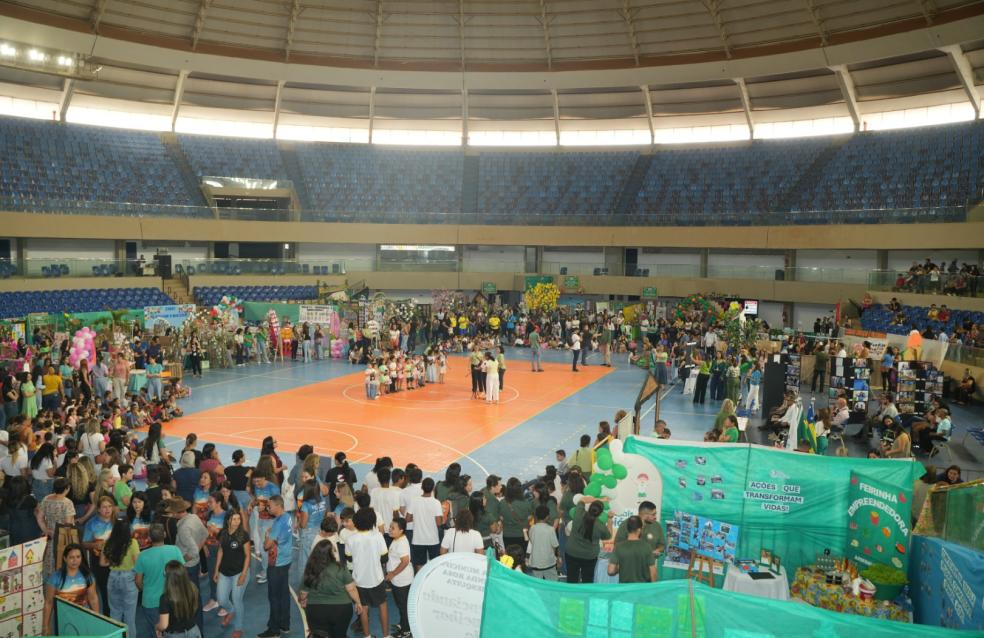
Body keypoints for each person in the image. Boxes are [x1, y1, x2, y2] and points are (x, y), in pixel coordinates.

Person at [299, 539, 362, 638]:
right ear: (331, 554)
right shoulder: (341, 568)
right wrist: (358, 603)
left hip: (316, 609)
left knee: (319, 635)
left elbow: (303, 593)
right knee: (340, 635)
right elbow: (351, 589)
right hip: (341, 609)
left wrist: (302, 601)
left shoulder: (310, 570)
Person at [135, 524, 184, 638]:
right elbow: (182, 573)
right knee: (171, 629)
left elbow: (138, 581)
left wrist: (145, 589)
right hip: (173, 598)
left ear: (149, 538)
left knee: (155, 631)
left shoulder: (142, 555)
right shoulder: (175, 550)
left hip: (150, 601)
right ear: (165, 534)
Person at [346, 508, 389, 638]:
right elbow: (384, 558)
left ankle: (367, 636)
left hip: (359, 580)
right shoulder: (378, 536)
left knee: (363, 608)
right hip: (376, 578)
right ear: (372, 521)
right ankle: (386, 636)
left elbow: (349, 558)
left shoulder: (351, 539)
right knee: (382, 605)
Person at [43, 544, 100, 636]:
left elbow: (93, 599)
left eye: (78, 557)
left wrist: (97, 620)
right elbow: (49, 603)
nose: (75, 560)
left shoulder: (88, 576)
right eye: (71, 557)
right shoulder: (55, 578)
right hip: (62, 620)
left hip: (83, 618)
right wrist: (45, 625)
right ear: (65, 558)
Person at [169, 496, 207, 632]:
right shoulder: (194, 517)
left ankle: (195, 630)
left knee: (189, 600)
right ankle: (199, 630)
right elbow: (205, 534)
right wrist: (197, 552)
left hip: (187, 568)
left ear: (176, 512)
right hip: (194, 565)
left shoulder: (183, 528)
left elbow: (193, 551)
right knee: (196, 596)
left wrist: (180, 561)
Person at [259, 496, 293, 638]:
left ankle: (274, 630)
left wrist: (267, 535)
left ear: (278, 506)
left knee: (274, 596)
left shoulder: (278, 522)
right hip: (286, 559)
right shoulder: (287, 517)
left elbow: (267, 546)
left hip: (276, 563)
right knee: (284, 594)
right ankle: (285, 624)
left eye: (270, 506)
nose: (268, 508)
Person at [213, 508, 250, 638]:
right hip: (224, 572)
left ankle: (238, 628)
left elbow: (247, 556)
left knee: (236, 599)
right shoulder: (222, 534)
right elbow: (220, 551)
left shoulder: (243, 535)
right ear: (228, 520)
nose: (237, 521)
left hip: (239, 572)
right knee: (221, 599)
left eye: (238, 519)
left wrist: (243, 575)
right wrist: (216, 570)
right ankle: (231, 611)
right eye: (234, 519)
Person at [100, 517, 140, 638]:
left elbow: (102, 563)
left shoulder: (107, 542)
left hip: (112, 577)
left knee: (115, 613)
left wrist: (113, 562)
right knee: (129, 617)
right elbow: (137, 564)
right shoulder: (132, 543)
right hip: (129, 579)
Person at [565, 498, 611, 584]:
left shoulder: (579, 514)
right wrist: (609, 519)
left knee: (571, 579)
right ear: (600, 513)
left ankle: (571, 593)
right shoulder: (600, 526)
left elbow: (582, 500)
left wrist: (599, 499)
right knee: (587, 581)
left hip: (572, 552)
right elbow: (608, 536)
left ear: (589, 507)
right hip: (589, 556)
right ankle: (586, 593)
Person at [157, 560, 202, 638]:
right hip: (193, 631)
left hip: (175, 634)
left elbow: (163, 625)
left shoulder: (165, 598)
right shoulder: (193, 588)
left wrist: (156, 627)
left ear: (168, 577)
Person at [385, 517, 413, 638]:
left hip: (402, 581)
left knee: (403, 606)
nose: (390, 530)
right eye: (390, 527)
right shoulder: (397, 539)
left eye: (393, 528)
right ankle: (403, 624)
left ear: (401, 530)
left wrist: (392, 574)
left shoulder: (401, 543)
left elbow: (405, 561)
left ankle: (406, 632)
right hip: (398, 580)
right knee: (401, 605)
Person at [407, 477, 444, 571]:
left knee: (419, 564)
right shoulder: (436, 503)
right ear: (433, 488)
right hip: (433, 539)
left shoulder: (414, 501)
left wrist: (417, 517)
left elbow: (407, 519)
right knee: (434, 565)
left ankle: (420, 579)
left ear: (422, 487)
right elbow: (439, 523)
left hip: (418, 539)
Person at [608, 516, 657, 583]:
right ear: (639, 529)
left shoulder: (618, 547)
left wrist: (619, 568)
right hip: (643, 587)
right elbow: (653, 572)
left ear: (627, 529)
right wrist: (653, 587)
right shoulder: (647, 547)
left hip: (625, 587)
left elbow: (610, 571)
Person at [526, 505, 560, 580]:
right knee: (552, 583)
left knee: (537, 583)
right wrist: (558, 558)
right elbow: (555, 546)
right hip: (549, 562)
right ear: (547, 516)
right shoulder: (551, 529)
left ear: (536, 516)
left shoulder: (532, 528)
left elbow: (532, 541)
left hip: (535, 562)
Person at [499, 480, 532, 550]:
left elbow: (501, 518)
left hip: (507, 535)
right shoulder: (526, 503)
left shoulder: (502, 503)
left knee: (509, 555)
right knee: (522, 554)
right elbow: (529, 517)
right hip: (523, 535)